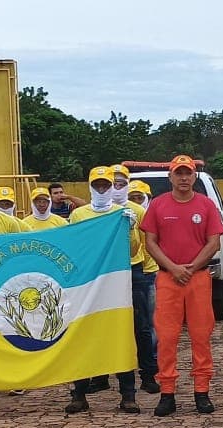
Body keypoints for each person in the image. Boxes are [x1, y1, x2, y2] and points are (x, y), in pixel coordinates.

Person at [141, 154, 223, 416]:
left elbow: (214, 242)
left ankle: (202, 391)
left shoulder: (206, 205)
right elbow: (150, 242)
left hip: (198, 278)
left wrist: (191, 267)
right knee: (167, 338)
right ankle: (167, 393)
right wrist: (174, 267)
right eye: (179, 173)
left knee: (201, 336)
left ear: (194, 176)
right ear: (171, 177)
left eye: (188, 173)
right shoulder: (157, 205)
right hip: (168, 278)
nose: (184, 178)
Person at [65, 166, 145, 414]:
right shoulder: (79, 215)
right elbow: (72, 247)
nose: (101, 189)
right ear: (90, 187)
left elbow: (132, 250)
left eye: (105, 185)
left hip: (116, 282)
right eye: (97, 185)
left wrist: (130, 229)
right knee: (82, 335)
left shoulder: (122, 213)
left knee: (121, 335)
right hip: (85, 283)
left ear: (113, 187)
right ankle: (79, 392)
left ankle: (128, 394)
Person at [126, 180, 161, 394]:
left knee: (147, 324)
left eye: (139, 197)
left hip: (148, 272)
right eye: (133, 197)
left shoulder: (142, 214)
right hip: (125, 272)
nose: (135, 201)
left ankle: (150, 368)